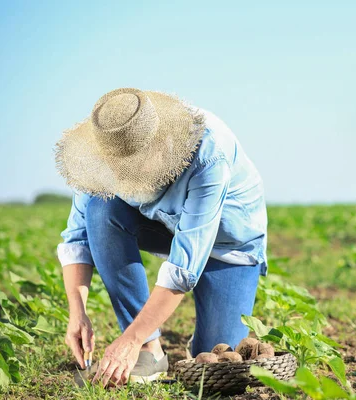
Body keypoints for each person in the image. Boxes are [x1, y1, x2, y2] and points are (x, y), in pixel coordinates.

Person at [54, 88, 267, 386]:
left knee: (214, 364)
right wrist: (78, 313)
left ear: (161, 145)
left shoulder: (208, 153)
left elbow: (184, 267)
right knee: (100, 210)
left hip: (228, 244)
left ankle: (167, 332)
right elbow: (78, 239)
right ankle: (149, 352)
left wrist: (127, 338)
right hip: (162, 227)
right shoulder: (100, 158)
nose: (125, 175)